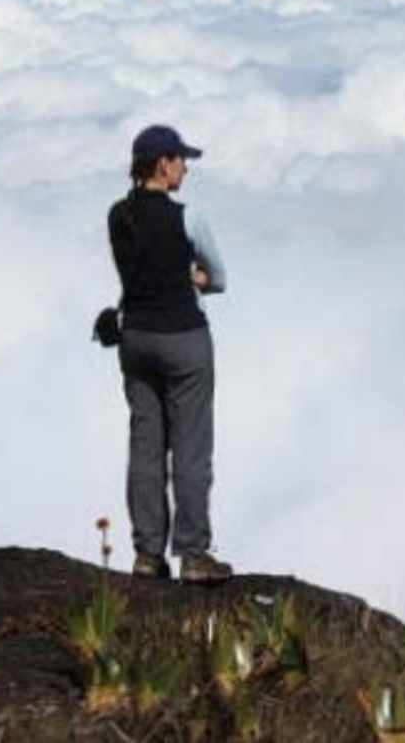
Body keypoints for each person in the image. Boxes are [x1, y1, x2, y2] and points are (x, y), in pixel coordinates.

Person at [107, 125, 232, 583]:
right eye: (181, 160)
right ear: (163, 163)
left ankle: (146, 554)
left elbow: (137, 272)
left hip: (136, 339)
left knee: (146, 448)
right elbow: (217, 277)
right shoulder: (188, 217)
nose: (185, 168)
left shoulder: (118, 216)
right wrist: (193, 279)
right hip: (184, 339)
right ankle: (194, 555)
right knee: (191, 450)